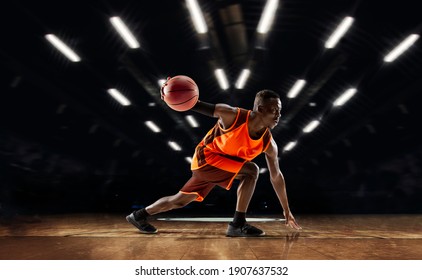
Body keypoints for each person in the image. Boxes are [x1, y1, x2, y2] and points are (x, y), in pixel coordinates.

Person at [126, 89, 301, 237]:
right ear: (261, 109)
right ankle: (238, 224)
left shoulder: (269, 143)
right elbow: (194, 104)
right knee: (251, 171)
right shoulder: (233, 116)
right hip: (206, 159)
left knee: (179, 201)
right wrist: (171, 94)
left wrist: (286, 209)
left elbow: (276, 176)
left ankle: (139, 215)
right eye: (274, 110)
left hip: (221, 166)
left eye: (280, 111)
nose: (279, 115)